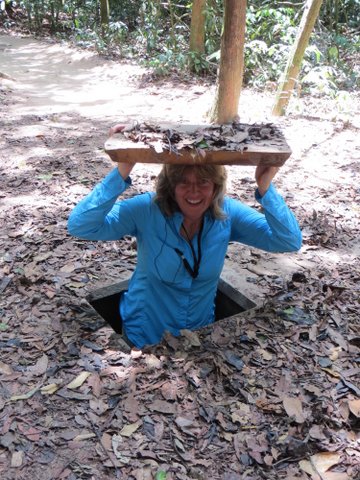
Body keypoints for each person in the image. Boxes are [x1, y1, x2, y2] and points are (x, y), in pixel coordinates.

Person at [68, 125, 302, 349]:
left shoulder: (227, 214)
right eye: (183, 182)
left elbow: (288, 240)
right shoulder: (147, 210)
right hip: (146, 335)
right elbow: (81, 225)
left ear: (216, 186)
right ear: (170, 186)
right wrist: (122, 170)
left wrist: (265, 187)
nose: (194, 191)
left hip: (199, 335)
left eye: (203, 182)